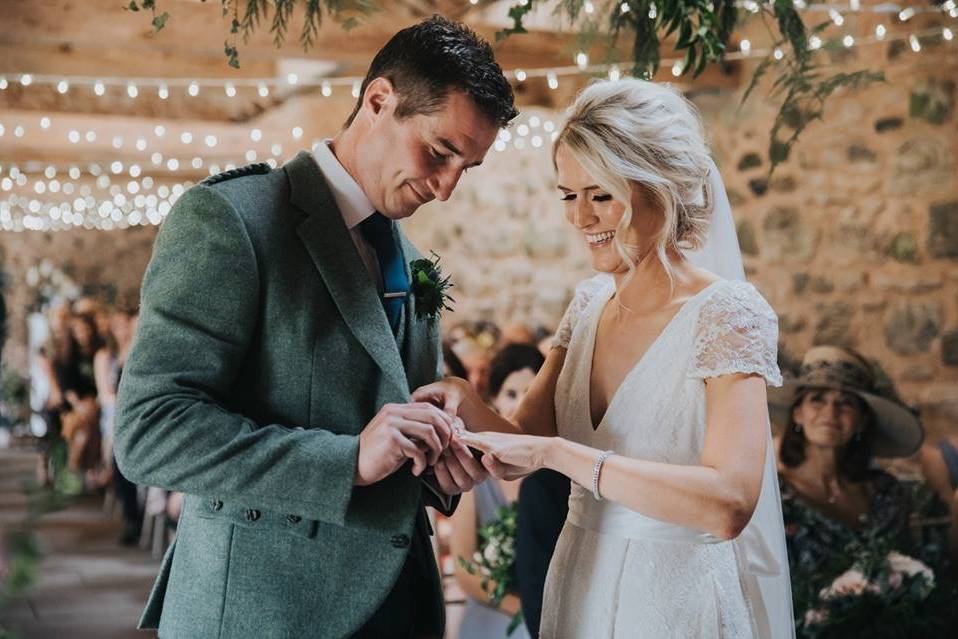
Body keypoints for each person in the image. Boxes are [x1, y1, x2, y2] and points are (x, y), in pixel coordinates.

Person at [114, 16, 516, 639]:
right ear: (378, 101)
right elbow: (150, 431)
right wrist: (347, 462)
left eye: (467, 167)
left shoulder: (411, 261)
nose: (445, 189)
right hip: (266, 610)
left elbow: (395, 423)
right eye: (439, 154)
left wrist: (439, 467)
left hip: (403, 605)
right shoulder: (233, 221)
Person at [415, 79, 793, 637]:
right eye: (569, 195)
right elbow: (523, 448)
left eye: (601, 194)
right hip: (578, 581)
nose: (580, 218)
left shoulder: (728, 313)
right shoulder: (588, 305)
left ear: (658, 188)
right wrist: (465, 399)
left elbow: (729, 503)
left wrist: (562, 455)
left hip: (676, 596)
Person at [768, 346, 928, 604]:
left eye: (846, 403)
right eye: (817, 398)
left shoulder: (887, 494)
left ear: (862, 421)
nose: (831, 412)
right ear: (797, 412)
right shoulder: (773, 496)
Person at [451, 344, 543, 639]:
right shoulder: (476, 470)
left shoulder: (557, 472)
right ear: (494, 399)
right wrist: (520, 609)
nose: (519, 405)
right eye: (511, 394)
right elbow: (465, 570)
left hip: (546, 608)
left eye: (530, 393)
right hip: (494, 610)